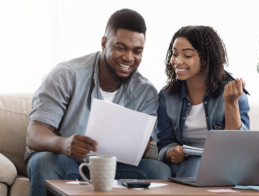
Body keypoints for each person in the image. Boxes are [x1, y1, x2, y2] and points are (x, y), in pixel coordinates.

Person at [26, 9, 171, 196]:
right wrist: (64, 144)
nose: (128, 57)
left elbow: (141, 149)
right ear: (104, 43)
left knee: (160, 171)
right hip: (65, 162)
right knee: (43, 162)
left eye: (137, 51)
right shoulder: (66, 75)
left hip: (114, 168)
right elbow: (34, 133)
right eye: (121, 47)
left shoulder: (146, 92)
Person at [156, 26, 250, 178]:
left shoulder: (232, 92)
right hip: (185, 165)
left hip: (223, 164)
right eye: (174, 54)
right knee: (190, 165)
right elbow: (165, 142)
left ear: (206, 58)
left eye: (187, 55)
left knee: (198, 165)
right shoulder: (167, 95)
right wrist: (171, 153)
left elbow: (238, 148)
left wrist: (231, 103)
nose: (177, 61)